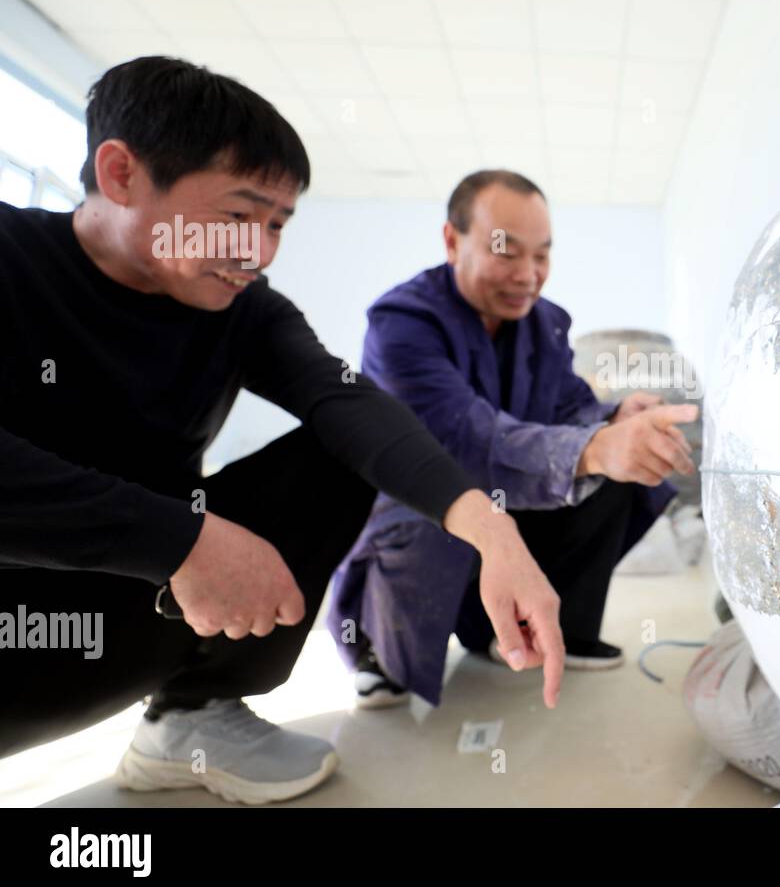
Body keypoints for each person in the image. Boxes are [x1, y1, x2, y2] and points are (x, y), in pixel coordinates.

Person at [0, 57, 564, 805]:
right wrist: (178, 538)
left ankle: (191, 715)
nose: (258, 253)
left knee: (337, 455)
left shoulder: (245, 309)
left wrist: (489, 531)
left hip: (139, 615)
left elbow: (350, 404)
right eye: (237, 217)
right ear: (121, 173)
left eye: (276, 226)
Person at [329, 170, 698, 709]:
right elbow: (459, 437)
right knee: (441, 508)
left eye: (542, 255)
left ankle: (547, 630)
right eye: (506, 252)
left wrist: (615, 416)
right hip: (425, 515)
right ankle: (380, 653)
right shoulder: (401, 324)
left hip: (512, 501)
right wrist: (593, 447)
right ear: (452, 241)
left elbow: (569, 403)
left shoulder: (544, 322)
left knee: (610, 472)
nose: (528, 275)